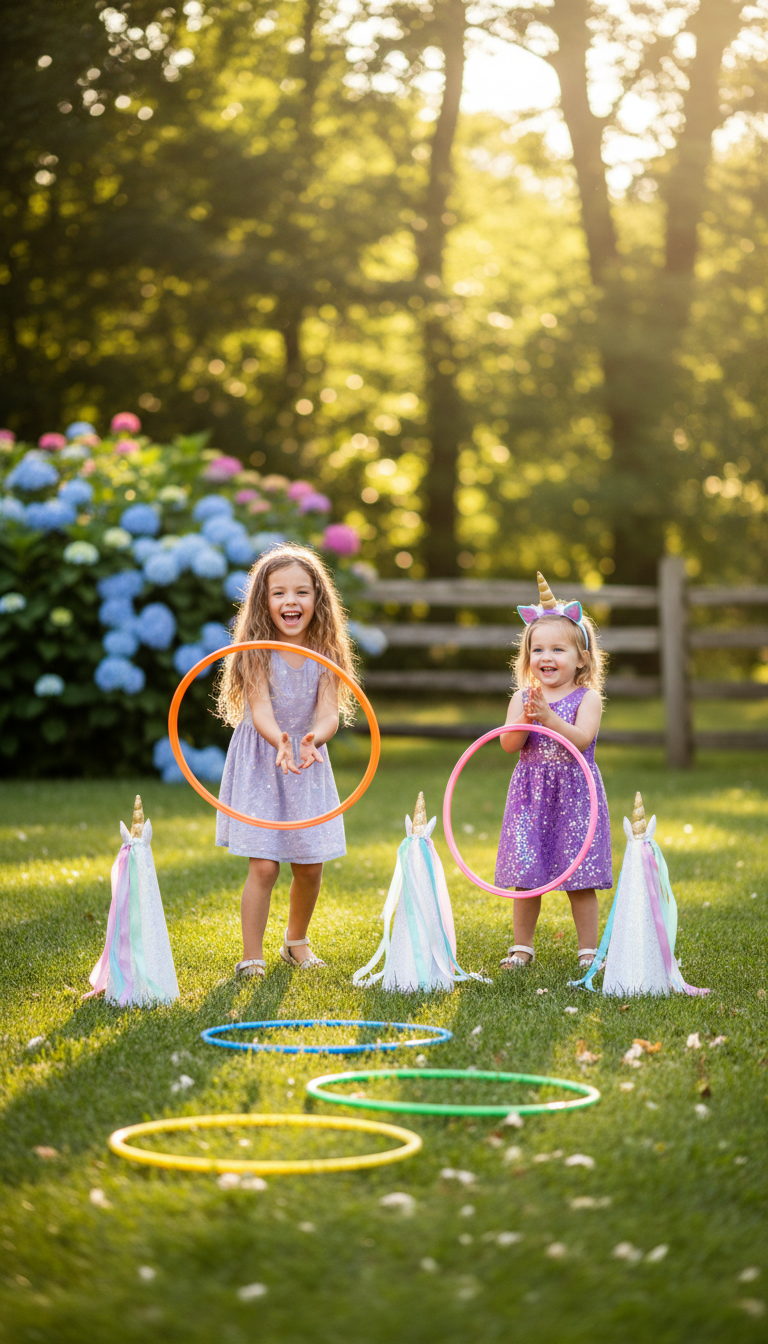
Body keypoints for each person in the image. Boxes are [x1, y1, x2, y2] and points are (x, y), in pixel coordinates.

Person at [214, 543, 357, 978]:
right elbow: (260, 711)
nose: (290, 601)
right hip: (264, 758)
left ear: (318, 598)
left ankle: (296, 942)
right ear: (264, 601)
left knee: (309, 865)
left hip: (306, 762)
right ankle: (251, 955)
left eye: (301, 592)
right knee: (263, 864)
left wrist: (314, 739)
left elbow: (328, 713)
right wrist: (280, 741)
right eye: (279, 593)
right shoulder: (256, 650)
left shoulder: (327, 652)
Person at [495, 571, 612, 972]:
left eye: (558, 649)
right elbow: (509, 744)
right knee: (526, 876)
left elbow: (580, 739)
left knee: (580, 878)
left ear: (581, 658)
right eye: (538, 649)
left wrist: (548, 718)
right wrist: (527, 718)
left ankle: (588, 952)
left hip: (575, 795)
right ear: (527, 657)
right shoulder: (522, 698)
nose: (546, 657)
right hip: (531, 796)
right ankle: (521, 949)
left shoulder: (588, 698)